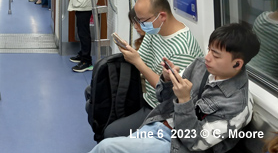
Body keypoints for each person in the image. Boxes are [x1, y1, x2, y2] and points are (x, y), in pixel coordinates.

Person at [88, 23, 260, 153]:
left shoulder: (237, 105)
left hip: (176, 145)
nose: (207, 58)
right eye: (209, 50)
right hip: (159, 124)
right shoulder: (200, 65)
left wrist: (184, 100)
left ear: (237, 64)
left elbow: (195, 143)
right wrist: (167, 81)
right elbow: (164, 100)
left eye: (215, 55)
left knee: (106, 148)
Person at [104, 0, 204, 138]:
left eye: (143, 21)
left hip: (160, 106)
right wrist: (132, 54)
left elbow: (170, 94)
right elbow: (142, 58)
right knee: (96, 95)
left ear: (161, 16)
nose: (141, 26)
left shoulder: (183, 49)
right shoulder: (155, 30)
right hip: (145, 92)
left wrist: (137, 62)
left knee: (111, 132)